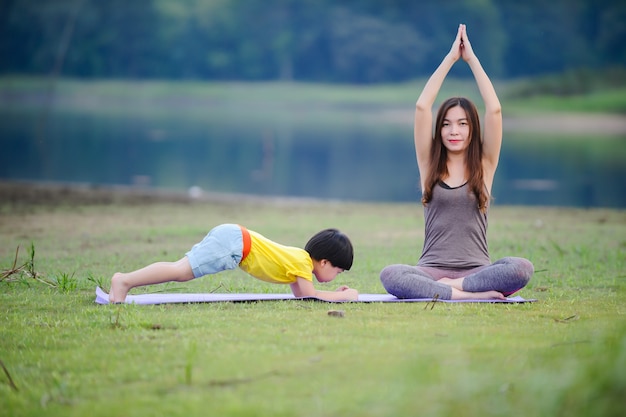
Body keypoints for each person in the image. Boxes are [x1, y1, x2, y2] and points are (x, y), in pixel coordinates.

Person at [379, 24, 533, 301]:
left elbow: (495, 110)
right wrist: (451, 58)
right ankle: (464, 295)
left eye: (462, 124)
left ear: (472, 128)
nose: (454, 131)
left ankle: (457, 289)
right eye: (447, 124)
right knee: (391, 275)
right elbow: (422, 107)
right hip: (431, 270)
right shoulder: (429, 166)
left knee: (522, 268)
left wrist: (471, 59)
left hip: (477, 272)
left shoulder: (485, 164)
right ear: (439, 130)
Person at [109, 224, 358, 303]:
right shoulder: (302, 263)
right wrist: (345, 297)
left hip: (234, 238)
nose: (337, 275)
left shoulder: (300, 261)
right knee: (180, 271)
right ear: (324, 262)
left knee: (180, 269)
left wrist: (332, 294)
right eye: (338, 270)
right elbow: (310, 295)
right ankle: (124, 281)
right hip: (235, 243)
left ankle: (124, 281)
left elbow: (302, 295)